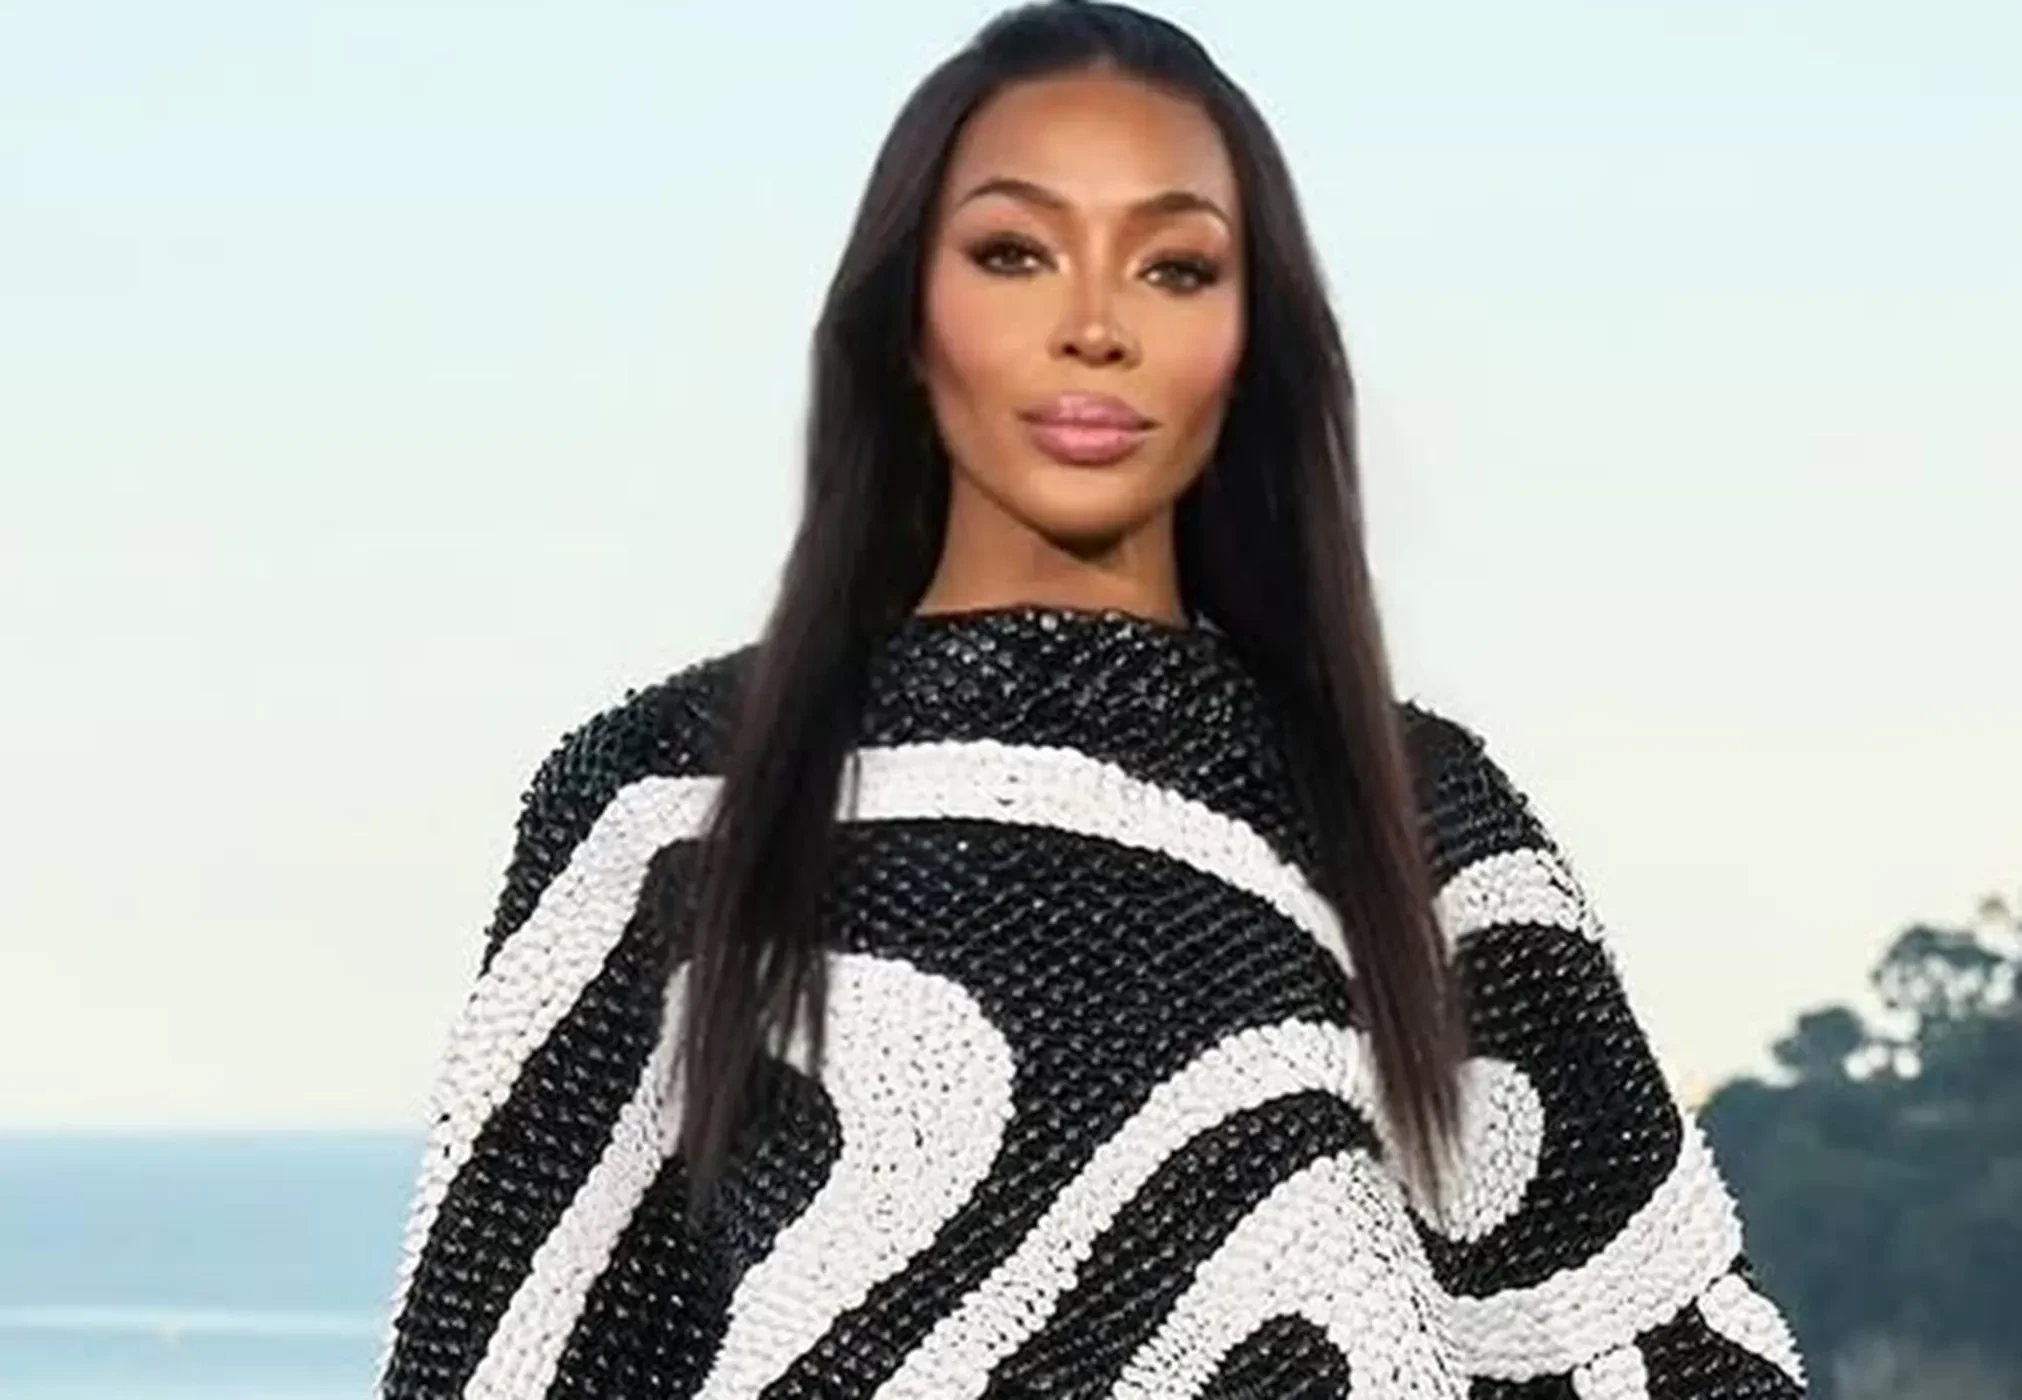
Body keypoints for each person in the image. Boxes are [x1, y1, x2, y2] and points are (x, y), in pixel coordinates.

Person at [377, 3, 1807, 1395]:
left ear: (1250, 338)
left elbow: (1661, 1349)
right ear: (906, 314)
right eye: (1014, 253)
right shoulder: (667, 804)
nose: (1094, 328)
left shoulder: (1420, 824)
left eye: (1174, 269)